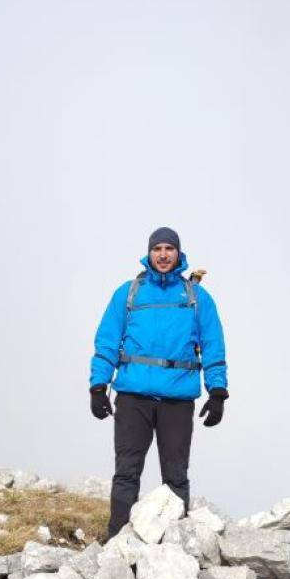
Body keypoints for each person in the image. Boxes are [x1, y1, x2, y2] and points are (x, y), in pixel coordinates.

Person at [89, 226, 229, 540]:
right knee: (126, 473)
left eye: (169, 249)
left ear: (178, 253)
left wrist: (217, 392)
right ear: (149, 253)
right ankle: (117, 542)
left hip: (177, 399)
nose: (163, 255)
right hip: (133, 397)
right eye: (157, 249)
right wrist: (98, 386)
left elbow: (213, 345)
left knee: (175, 476)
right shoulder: (128, 293)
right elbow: (107, 342)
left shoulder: (197, 297)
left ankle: (174, 545)